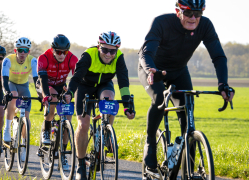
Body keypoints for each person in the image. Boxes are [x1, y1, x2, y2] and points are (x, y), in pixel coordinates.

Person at [138, 0, 235, 174]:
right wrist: (151, 70)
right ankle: (150, 141)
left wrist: (223, 84)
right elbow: (146, 53)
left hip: (179, 71)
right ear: (178, 11)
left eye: (198, 14)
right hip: (153, 69)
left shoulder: (205, 26)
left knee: (187, 117)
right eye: (188, 13)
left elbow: (218, 56)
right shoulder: (161, 22)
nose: (193, 18)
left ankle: (186, 168)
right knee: (159, 98)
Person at [65, 31, 135, 180]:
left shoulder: (119, 58)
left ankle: (107, 133)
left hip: (104, 85)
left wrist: (127, 105)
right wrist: (70, 92)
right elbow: (76, 77)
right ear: (98, 47)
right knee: (83, 125)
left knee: (109, 99)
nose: (109, 54)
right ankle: (81, 164)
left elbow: (123, 81)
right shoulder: (89, 55)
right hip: (85, 86)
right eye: (105, 50)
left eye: (112, 51)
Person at [36, 34, 78, 170]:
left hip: (61, 85)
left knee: (67, 116)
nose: (61, 55)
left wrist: (71, 92)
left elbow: (77, 77)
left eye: (64, 52)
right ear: (52, 49)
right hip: (44, 84)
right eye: (58, 52)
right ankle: (46, 129)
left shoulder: (72, 58)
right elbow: (42, 78)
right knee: (52, 98)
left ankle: (63, 154)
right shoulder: (43, 58)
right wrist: (45, 96)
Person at [1, 37, 38, 161]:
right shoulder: (8, 60)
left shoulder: (33, 61)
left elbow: (37, 80)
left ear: (28, 52)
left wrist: (41, 94)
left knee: (26, 118)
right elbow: (4, 79)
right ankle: (7, 128)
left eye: (25, 50)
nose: (23, 53)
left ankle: (23, 143)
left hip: (24, 85)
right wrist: (6, 92)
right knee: (13, 95)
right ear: (15, 50)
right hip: (10, 84)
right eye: (20, 50)